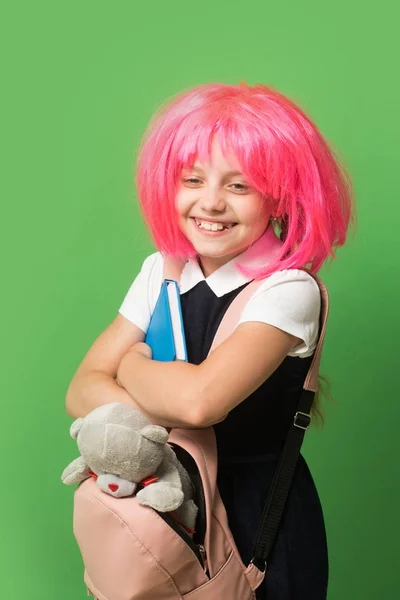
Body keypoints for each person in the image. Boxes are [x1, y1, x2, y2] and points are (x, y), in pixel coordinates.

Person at [66, 82, 354, 599]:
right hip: (169, 509)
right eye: (192, 179)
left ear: (281, 195)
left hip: (256, 516)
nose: (211, 202)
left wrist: (129, 366)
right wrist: (163, 392)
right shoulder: (163, 269)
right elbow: (81, 390)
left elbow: (201, 402)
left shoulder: (287, 288)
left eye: (240, 186)